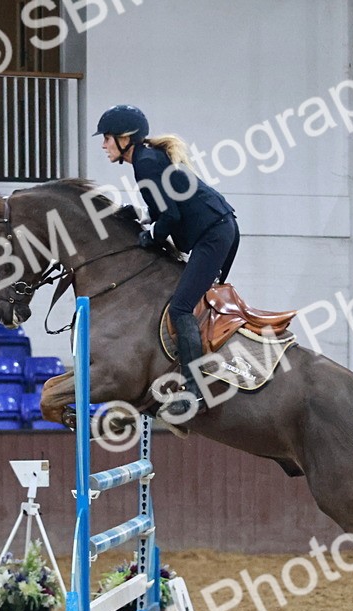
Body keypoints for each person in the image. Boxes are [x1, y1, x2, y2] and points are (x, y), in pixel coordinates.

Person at [95, 104, 239, 417]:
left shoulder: (145, 162)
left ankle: (194, 390)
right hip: (214, 229)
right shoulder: (146, 160)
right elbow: (164, 211)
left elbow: (170, 217)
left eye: (107, 138)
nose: (103, 145)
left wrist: (152, 235)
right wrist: (148, 225)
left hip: (212, 234)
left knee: (181, 307)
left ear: (125, 138)